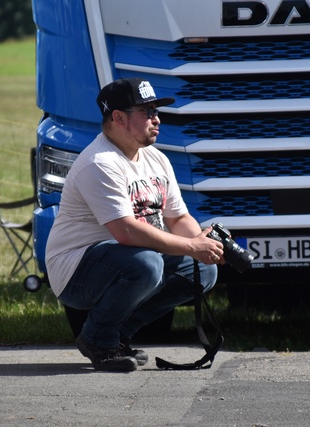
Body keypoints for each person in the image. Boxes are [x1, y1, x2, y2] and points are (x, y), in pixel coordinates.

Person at [45, 78, 224, 372]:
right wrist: (192, 246)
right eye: (147, 111)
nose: (157, 119)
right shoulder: (100, 162)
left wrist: (206, 246)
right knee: (147, 265)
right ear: (118, 117)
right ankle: (98, 340)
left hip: (127, 259)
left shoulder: (156, 159)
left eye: (156, 111)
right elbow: (126, 231)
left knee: (203, 271)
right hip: (74, 270)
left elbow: (177, 218)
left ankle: (117, 337)